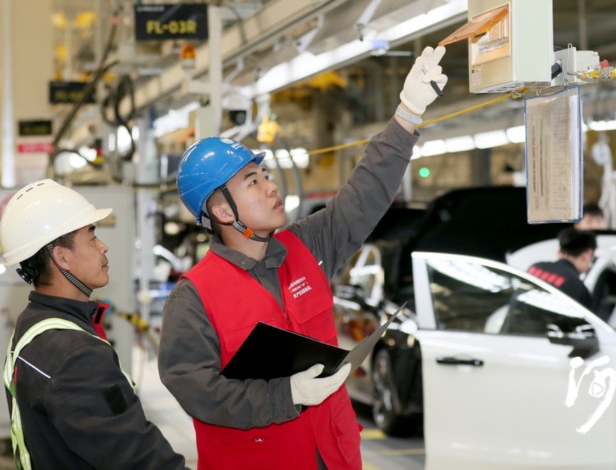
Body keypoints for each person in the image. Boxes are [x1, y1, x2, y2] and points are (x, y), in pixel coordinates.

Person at [158, 46, 448, 470]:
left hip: (334, 456)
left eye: (266, 175)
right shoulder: (194, 297)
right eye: (252, 182)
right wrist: (286, 394)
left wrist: (407, 114)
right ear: (222, 211)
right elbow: (199, 392)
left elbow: (363, 196)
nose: (271, 186)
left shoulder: (307, 246)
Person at [0, 179, 187, 470]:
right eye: (91, 236)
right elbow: (137, 458)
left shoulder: (32, 325)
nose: (103, 246)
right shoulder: (76, 356)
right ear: (62, 257)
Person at [526, 227, 597, 308]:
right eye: (592, 257)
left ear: (560, 252)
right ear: (587, 255)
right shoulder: (578, 288)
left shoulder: (535, 268)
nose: (591, 264)